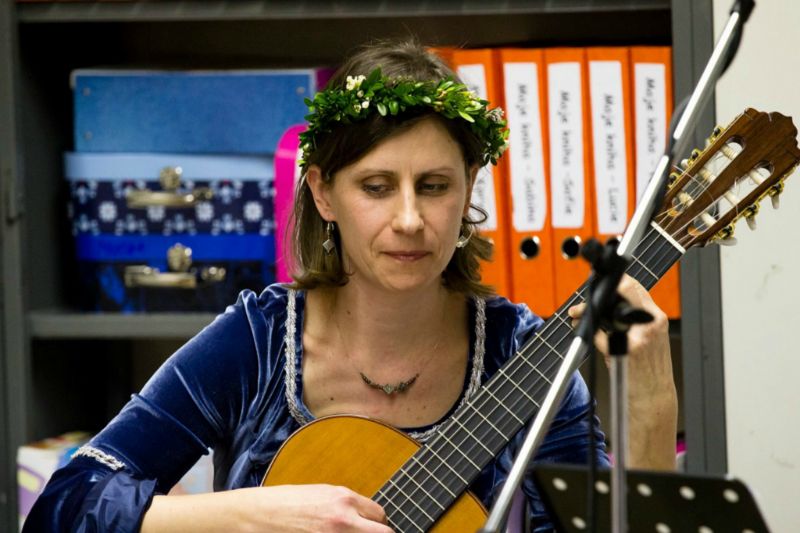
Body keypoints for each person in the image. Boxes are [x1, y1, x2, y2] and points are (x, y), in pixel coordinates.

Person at [25, 39, 677, 532]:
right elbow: (65, 505)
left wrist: (650, 401)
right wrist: (253, 514)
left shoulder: (520, 355)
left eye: (434, 186)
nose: (410, 219)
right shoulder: (260, 343)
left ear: (468, 190)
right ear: (323, 193)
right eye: (376, 186)